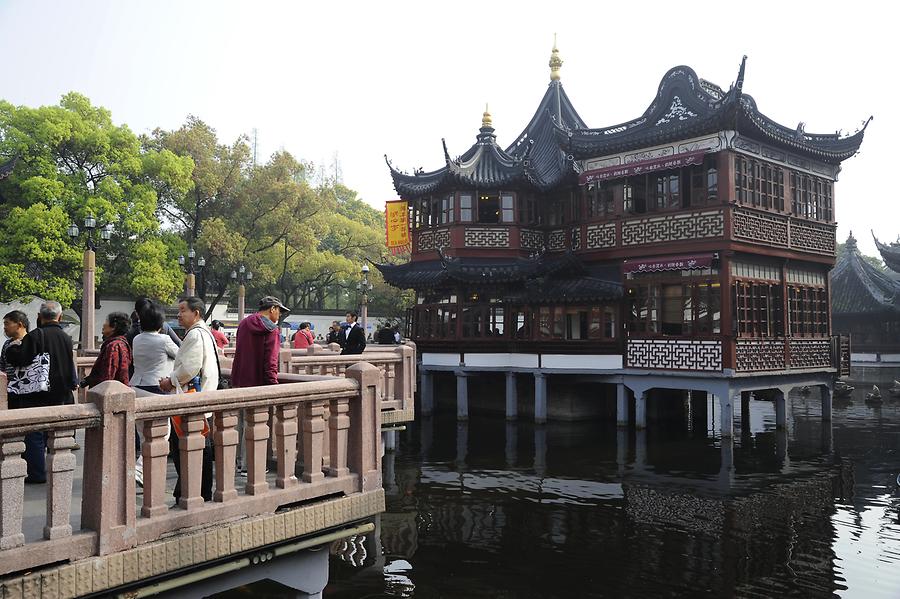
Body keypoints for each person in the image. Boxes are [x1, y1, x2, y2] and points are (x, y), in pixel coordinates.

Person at [5, 301, 78, 483]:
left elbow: (20, 358)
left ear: (40, 316)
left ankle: (37, 473)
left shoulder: (37, 335)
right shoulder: (65, 337)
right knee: (54, 435)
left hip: (38, 392)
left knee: (35, 434)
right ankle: (58, 472)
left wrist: (13, 348)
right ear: (59, 317)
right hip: (61, 392)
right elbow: (70, 364)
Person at [158, 297, 218, 502]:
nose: (179, 314)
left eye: (183, 310)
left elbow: (190, 369)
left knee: (187, 448)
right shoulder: (204, 333)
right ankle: (193, 491)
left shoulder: (195, 335)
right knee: (197, 448)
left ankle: (194, 493)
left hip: (193, 399)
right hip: (202, 398)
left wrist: (170, 380)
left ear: (196, 313)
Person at [231, 296, 288, 473]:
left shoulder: (244, 323)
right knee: (254, 425)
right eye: (279, 311)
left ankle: (237, 464)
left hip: (239, 381)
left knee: (239, 425)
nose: (279, 315)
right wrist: (273, 384)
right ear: (272, 309)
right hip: (257, 385)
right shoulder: (272, 330)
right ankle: (250, 466)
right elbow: (271, 361)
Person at [131, 304, 178, 487]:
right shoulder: (164, 339)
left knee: (143, 435)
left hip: (136, 387)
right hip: (155, 389)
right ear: (161, 322)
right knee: (162, 435)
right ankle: (140, 469)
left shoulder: (137, 339)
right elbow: (180, 355)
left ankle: (143, 472)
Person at [81, 312, 132, 388]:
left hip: (110, 391)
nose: (103, 324)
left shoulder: (114, 346)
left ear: (113, 327)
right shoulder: (121, 343)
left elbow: (108, 375)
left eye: (106, 321)